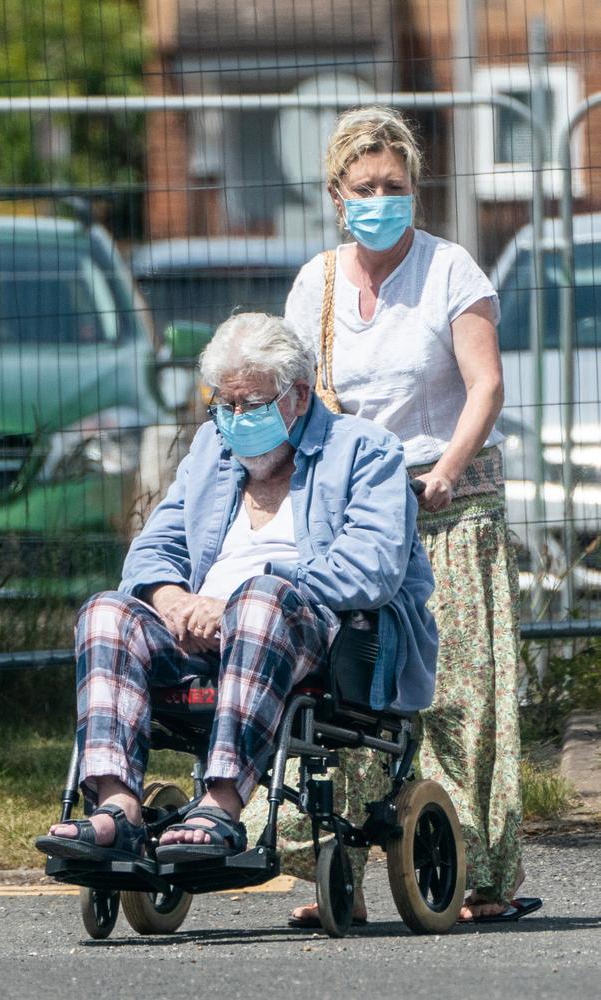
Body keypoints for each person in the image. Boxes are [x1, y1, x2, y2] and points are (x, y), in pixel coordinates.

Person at [36, 312, 437, 866]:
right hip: (200, 630)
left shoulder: (366, 451)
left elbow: (372, 567)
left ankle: (221, 804)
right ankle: (116, 807)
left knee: (260, 599)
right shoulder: (211, 450)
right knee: (106, 611)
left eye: (251, 404)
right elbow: (154, 549)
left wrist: (238, 599)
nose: (234, 418)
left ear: (298, 395)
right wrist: (172, 600)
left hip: (317, 636)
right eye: (223, 405)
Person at [270, 105, 534, 924]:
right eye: (364, 186)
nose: (380, 197)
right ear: (336, 195)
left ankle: (468, 875)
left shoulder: (451, 270)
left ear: (415, 189)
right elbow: (299, 394)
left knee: (454, 697)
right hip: (357, 516)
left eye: (394, 184)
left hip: (443, 506)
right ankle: (336, 865)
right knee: (349, 696)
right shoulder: (316, 283)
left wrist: (447, 472)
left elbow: (485, 385)